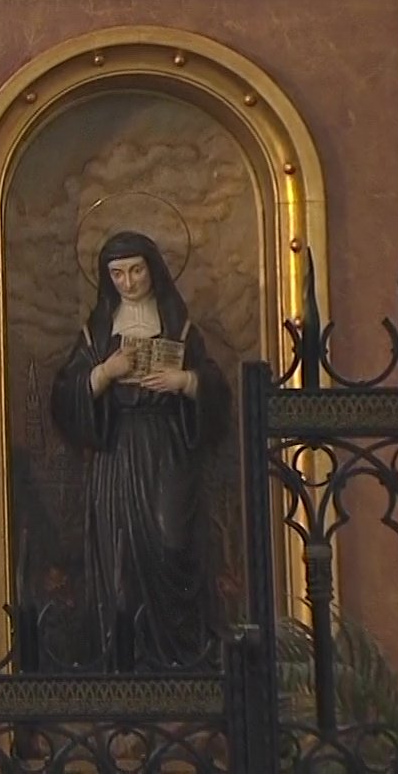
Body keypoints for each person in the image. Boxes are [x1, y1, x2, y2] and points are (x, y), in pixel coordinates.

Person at [49, 230, 228, 668]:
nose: (128, 283)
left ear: (153, 270)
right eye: (118, 274)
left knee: (171, 541)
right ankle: (126, 659)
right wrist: (104, 374)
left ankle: (179, 656)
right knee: (121, 554)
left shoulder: (179, 326)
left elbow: (218, 393)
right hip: (117, 452)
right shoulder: (97, 332)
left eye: (136, 271)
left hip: (168, 449)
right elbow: (64, 397)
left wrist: (185, 382)